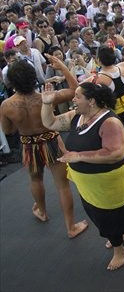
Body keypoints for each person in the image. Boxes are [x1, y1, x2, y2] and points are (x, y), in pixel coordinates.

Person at [40, 82, 124, 271]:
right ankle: (123, 233)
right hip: (86, 182)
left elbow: (115, 153)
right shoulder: (77, 116)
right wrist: (47, 104)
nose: (73, 100)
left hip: (105, 181)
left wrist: (78, 156)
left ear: (91, 100)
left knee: (108, 215)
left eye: (77, 96)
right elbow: (49, 123)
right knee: (103, 212)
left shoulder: (109, 122)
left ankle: (119, 249)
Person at [0, 56, 88, 238]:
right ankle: (71, 227)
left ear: (11, 82)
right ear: (33, 78)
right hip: (51, 141)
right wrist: (62, 66)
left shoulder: (6, 105)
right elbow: (74, 90)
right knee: (62, 185)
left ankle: (42, 211)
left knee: (36, 180)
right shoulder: (46, 98)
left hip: (28, 145)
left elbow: (8, 131)